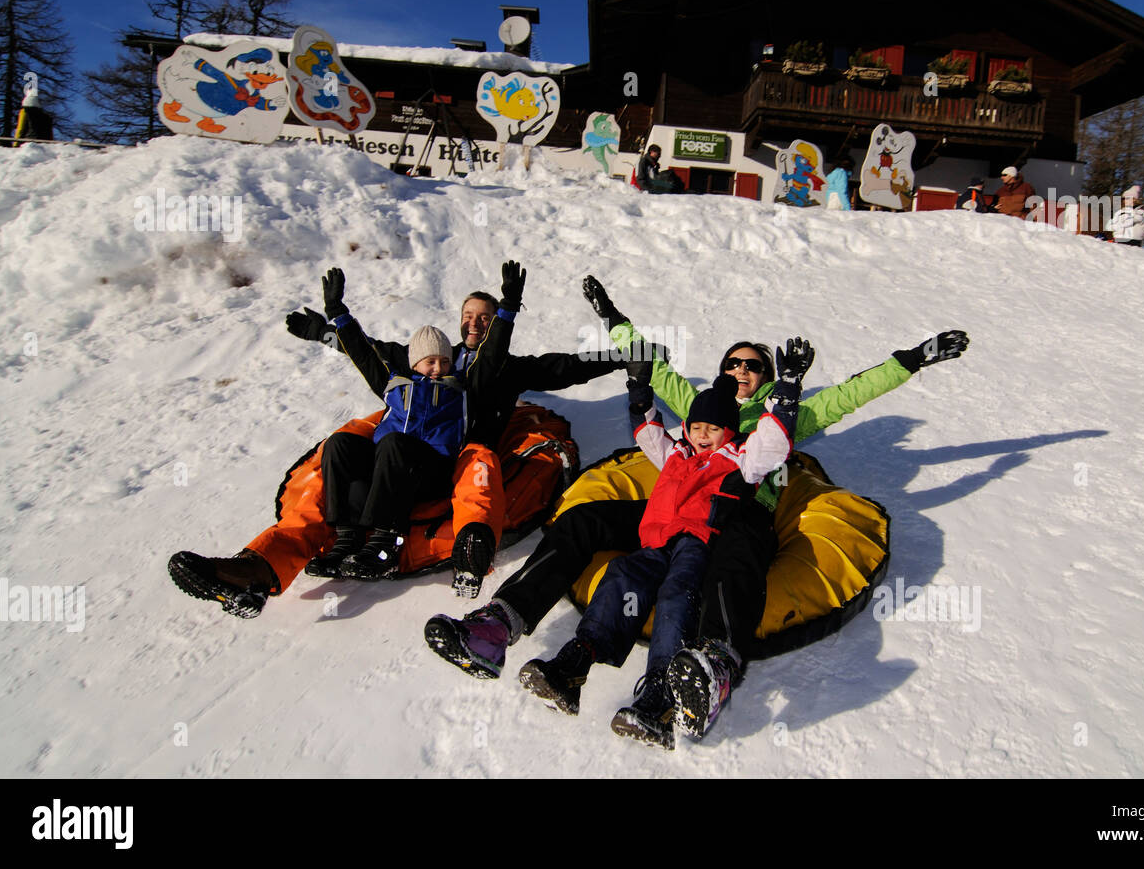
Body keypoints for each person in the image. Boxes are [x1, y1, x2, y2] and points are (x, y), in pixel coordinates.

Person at [425, 276, 969, 737]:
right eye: (732, 362)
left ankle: (712, 670)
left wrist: (913, 359)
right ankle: (499, 624)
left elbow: (854, 392)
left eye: (753, 365)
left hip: (741, 513)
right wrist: (613, 316)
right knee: (584, 519)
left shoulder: (787, 414)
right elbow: (653, 371)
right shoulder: (697, 409)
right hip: (674, 511)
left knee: (733, 562)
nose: (740, 370)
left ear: (768, 376)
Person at [169, 272, 633, 616]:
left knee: (468, 466)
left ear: (497, 323)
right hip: (406, 447)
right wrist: (326, 330)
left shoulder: (505, 366)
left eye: (484, 318)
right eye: (468, 316)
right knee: (339, 452)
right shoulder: (430, 358)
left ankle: (468, 545)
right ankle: (258, 569)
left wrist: (621, 356)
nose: (474, 323)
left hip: (458, 454)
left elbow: (566, 366)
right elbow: (373, 355)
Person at [518, 347, 809, 749]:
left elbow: (773, 443)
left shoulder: (739, 459)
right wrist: (638, 386)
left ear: (730, 431)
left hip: (697, 543)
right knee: (623, 577)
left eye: (714, 428)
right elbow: (646, 429)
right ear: (687, 427)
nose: (703, 434)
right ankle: (576, 660)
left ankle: (659, 694)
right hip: (654, 541)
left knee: (677, 596)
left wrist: (789, 387)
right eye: (697, 426)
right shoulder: (676, 453)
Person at [313, 264, 520, 583]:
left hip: (432, 470)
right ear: (414, 363)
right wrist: (338, 312)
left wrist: (507, 309)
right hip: (390, 467)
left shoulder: (462, 386)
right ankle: (346, 539)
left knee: (395, 444)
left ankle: (386, 546)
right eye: (430, 361)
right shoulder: (394, 382)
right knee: (341, 444)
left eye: (444, 361)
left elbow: (492, 353)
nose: (438, 368)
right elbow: (362, 352)